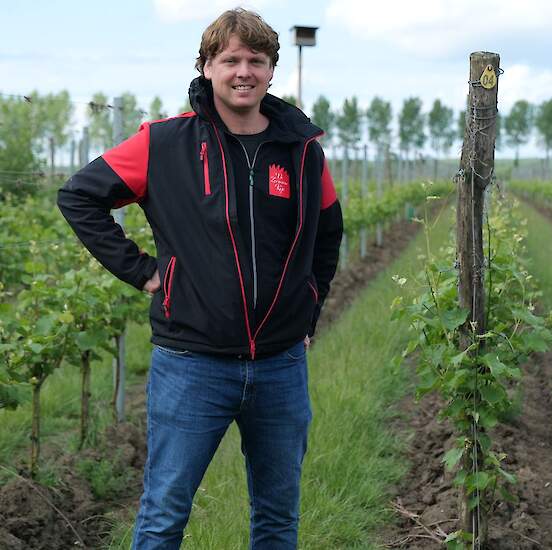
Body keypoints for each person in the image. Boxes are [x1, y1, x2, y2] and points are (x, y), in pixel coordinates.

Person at [58, 8, 342, 549]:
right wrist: (144, 273)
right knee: (164, 515)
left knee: (278, 519)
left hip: (281, 366)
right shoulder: (164, 144)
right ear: (207, 66)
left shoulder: (303, 150)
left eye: (255, 60)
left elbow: (328, 233)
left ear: (271, 70)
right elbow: (79, 196)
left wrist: (311, 307)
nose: (243, 71)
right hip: (191, 365)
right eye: (230, 59)